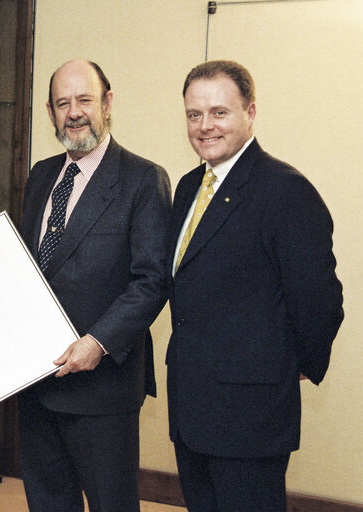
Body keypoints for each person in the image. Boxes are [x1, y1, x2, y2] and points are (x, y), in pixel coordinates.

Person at [167, 60, 344, 511]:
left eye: (219, 112)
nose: (205, 126)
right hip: (191, 405)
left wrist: (295, 363)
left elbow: (320, 300)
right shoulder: (189, 187)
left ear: (250, 112)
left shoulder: (286, 191)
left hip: (250, 414)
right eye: (194, 114)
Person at [17, 59, 171, 511]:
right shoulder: (41, 175)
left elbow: (151, 280)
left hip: (102, 386)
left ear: (107, 102)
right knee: (48, 502)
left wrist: (98, 343)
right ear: (50, 112)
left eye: (85, 99)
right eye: (63, 103)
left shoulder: (143, 179)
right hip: (37, 381)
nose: (75, 112)